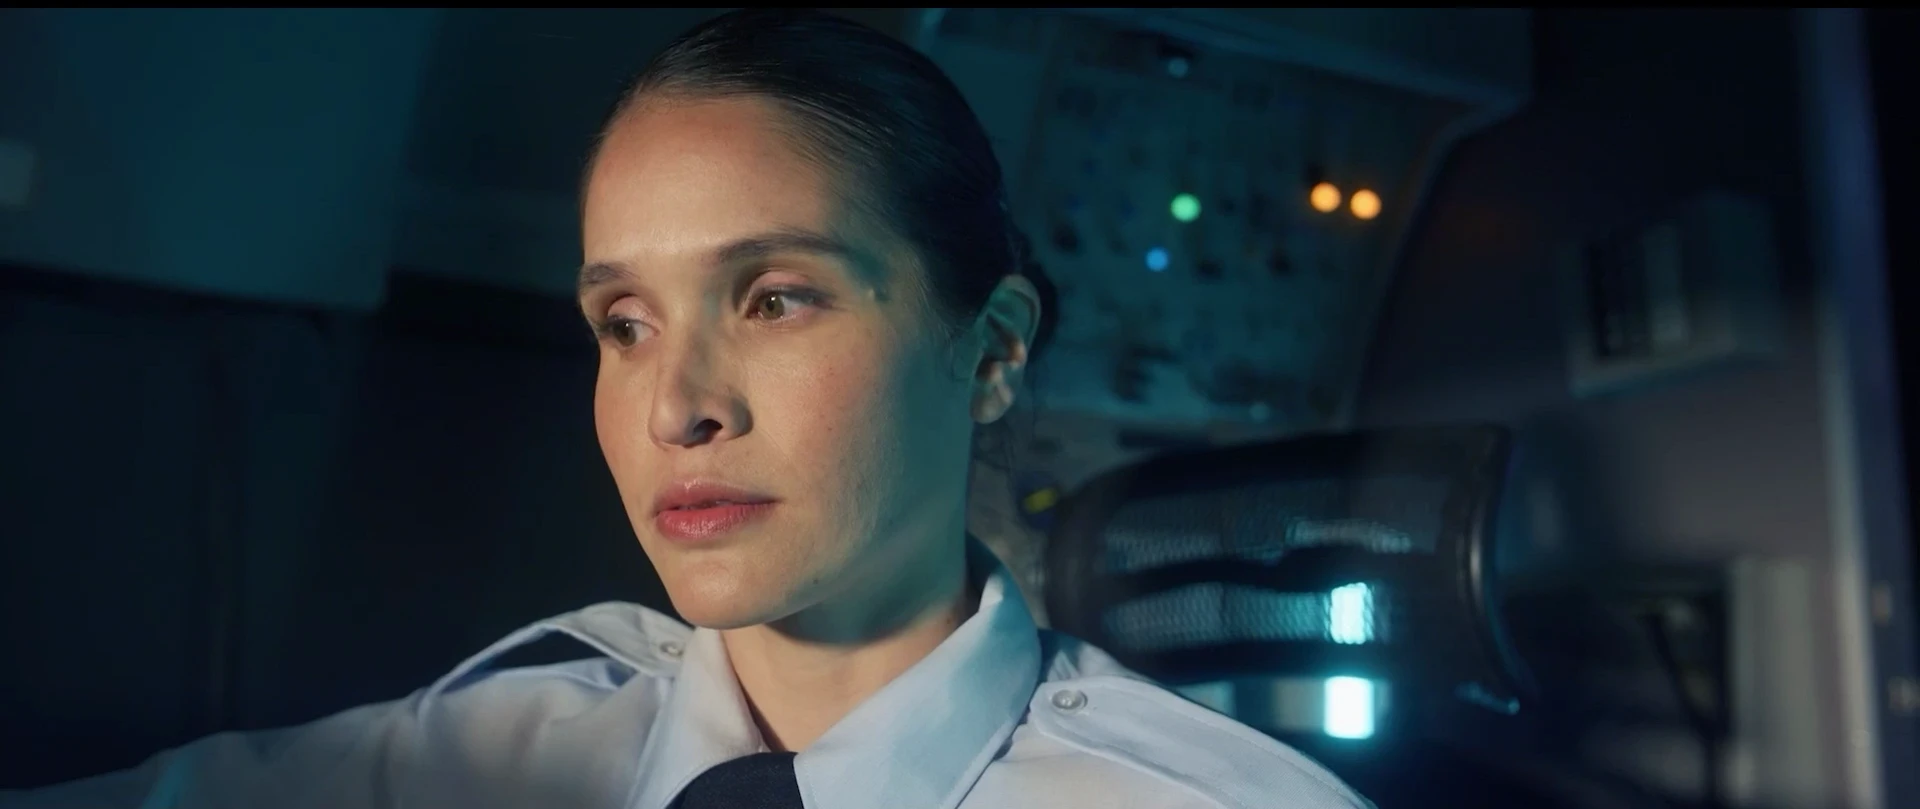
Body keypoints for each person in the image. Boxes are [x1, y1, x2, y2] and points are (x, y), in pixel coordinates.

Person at [3, 9, 1371, 809]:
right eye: (625, 324)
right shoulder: (480, 755)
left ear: (994, 349)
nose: (677, 408)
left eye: (775, 298)